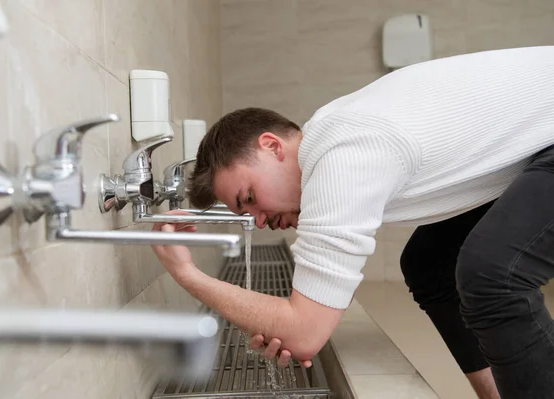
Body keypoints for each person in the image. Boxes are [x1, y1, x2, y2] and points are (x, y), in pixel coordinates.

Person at [150, 45, 554, 399]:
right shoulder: (334, 133)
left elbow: (304, 334)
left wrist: (188, 274)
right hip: (536, 144)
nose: (259, 220)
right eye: (246, 214)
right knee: (428, 264)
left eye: (251, 198)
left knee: (493, 273)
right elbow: (299, 322)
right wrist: (279, 319)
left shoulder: (343, 155)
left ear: (272, 146)